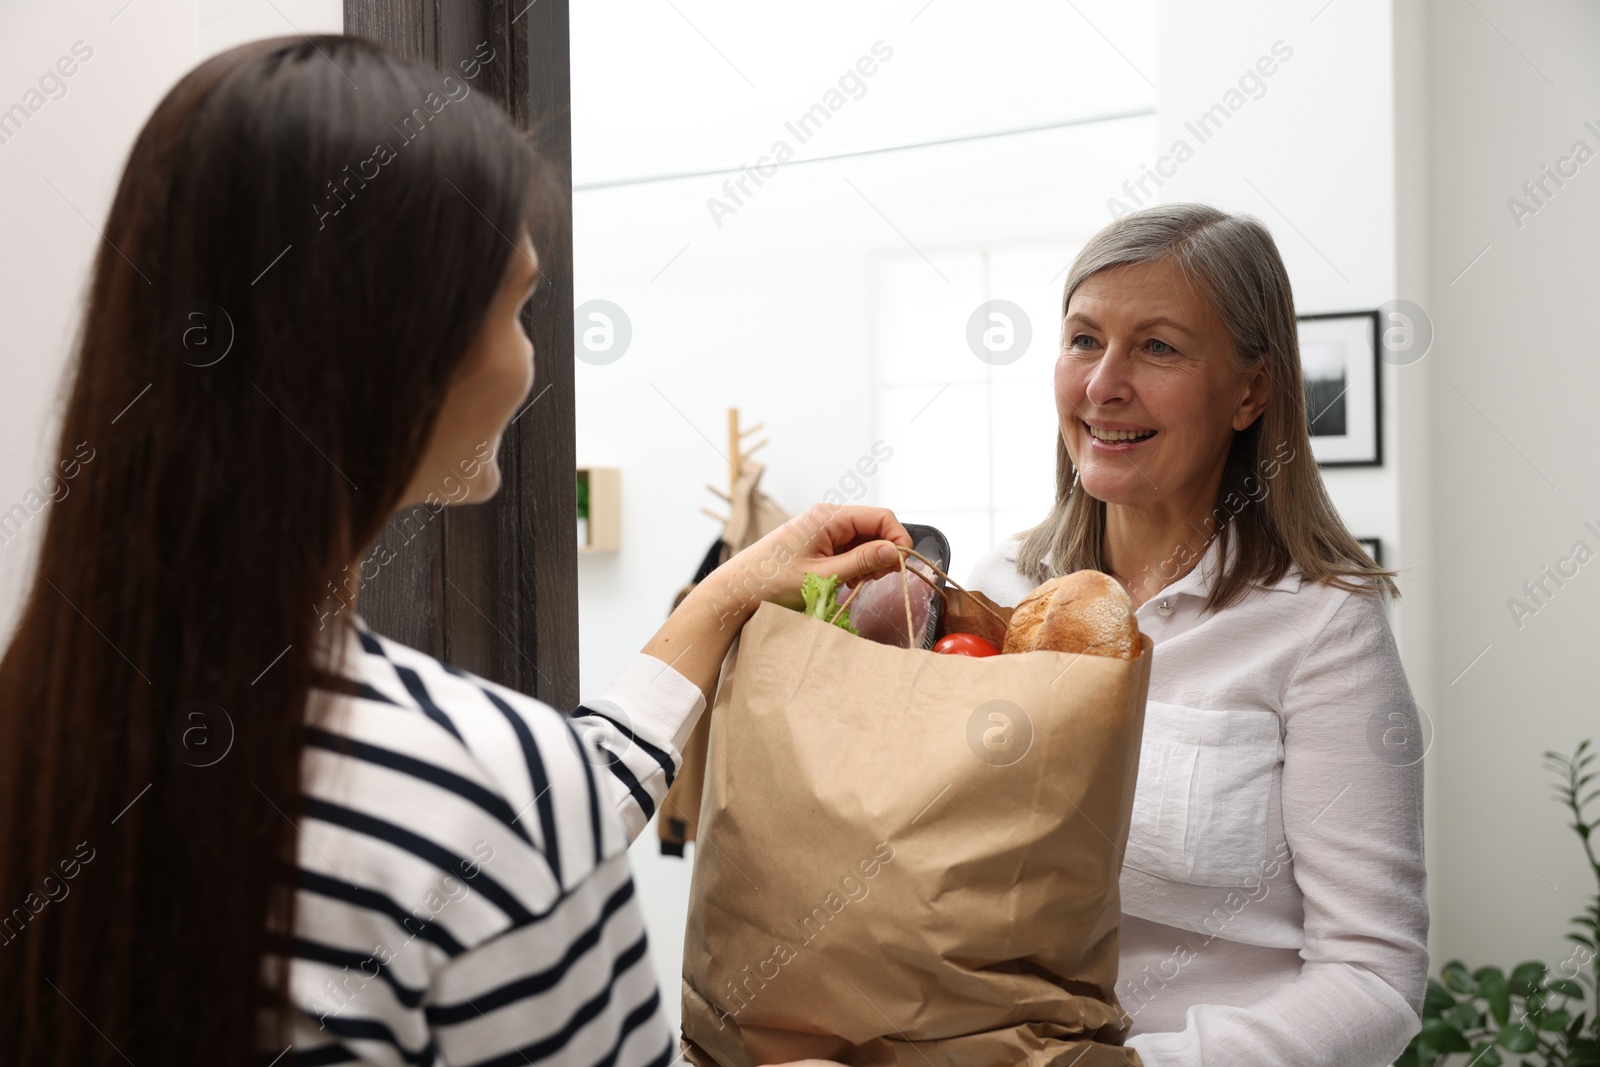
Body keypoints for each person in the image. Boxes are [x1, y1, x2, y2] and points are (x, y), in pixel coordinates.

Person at [0, 35, 909, 1067]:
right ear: (397, 342)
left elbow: (496, 832)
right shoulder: (482, 786)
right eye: (518, 305)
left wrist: (725, 594)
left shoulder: (57, 725)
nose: (530, 357)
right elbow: (500, 822)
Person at [967, 203, 1428, 1066]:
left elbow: (1374, 975)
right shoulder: (1001, 594)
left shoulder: (1322, 628)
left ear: (1251, 391)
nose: (1103, 384)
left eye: (1158, 347)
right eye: (1082, 340)